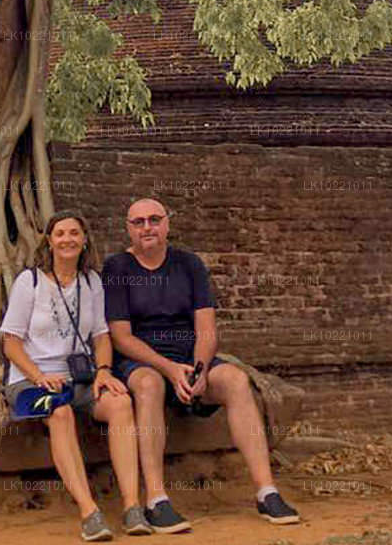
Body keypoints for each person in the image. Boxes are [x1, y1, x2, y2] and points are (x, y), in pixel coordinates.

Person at [103, 198, 301, 532]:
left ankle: (266, 491)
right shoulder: (117, 267)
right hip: (142, 359)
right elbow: (121, 337)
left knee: (236, 380)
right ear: (128, 228)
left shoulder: (189, 264)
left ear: (167, 223)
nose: (147, 227)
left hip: (190, 355)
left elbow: (206, 329)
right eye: (138, 222)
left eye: (154, 219)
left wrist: (199, 369)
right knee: (149, 385)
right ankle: (156, 499)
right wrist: (169, 369)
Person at [0, 211, 153, 541]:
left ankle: (132, 507)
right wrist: (39, 377)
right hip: (29, 381)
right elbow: (10, 342)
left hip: (78, 378)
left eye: (74, 233)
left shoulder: (91, 282)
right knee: (60, 412)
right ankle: (89, 512)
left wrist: (104, 372)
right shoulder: (30, 281)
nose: (67, 239)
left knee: (121, 403)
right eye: (60, 234)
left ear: (84, 241)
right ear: (49, 241)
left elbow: (101, 336)